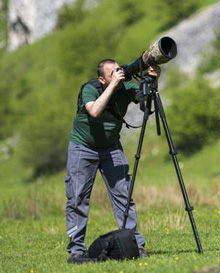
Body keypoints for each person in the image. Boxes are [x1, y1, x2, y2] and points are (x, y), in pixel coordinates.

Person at [64, 59, 160, 264]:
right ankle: (76, 249)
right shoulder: (91, 88)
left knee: (123, 195)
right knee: (77, 197)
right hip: (83, 146)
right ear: (102, 79)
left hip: (111, 146)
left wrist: (153, 82)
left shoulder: (126, 87)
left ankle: (134, 243)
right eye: (112, 73)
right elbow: (95, 111)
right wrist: (113, 87)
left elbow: (147, 104)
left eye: (119, 70)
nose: (118, 74)